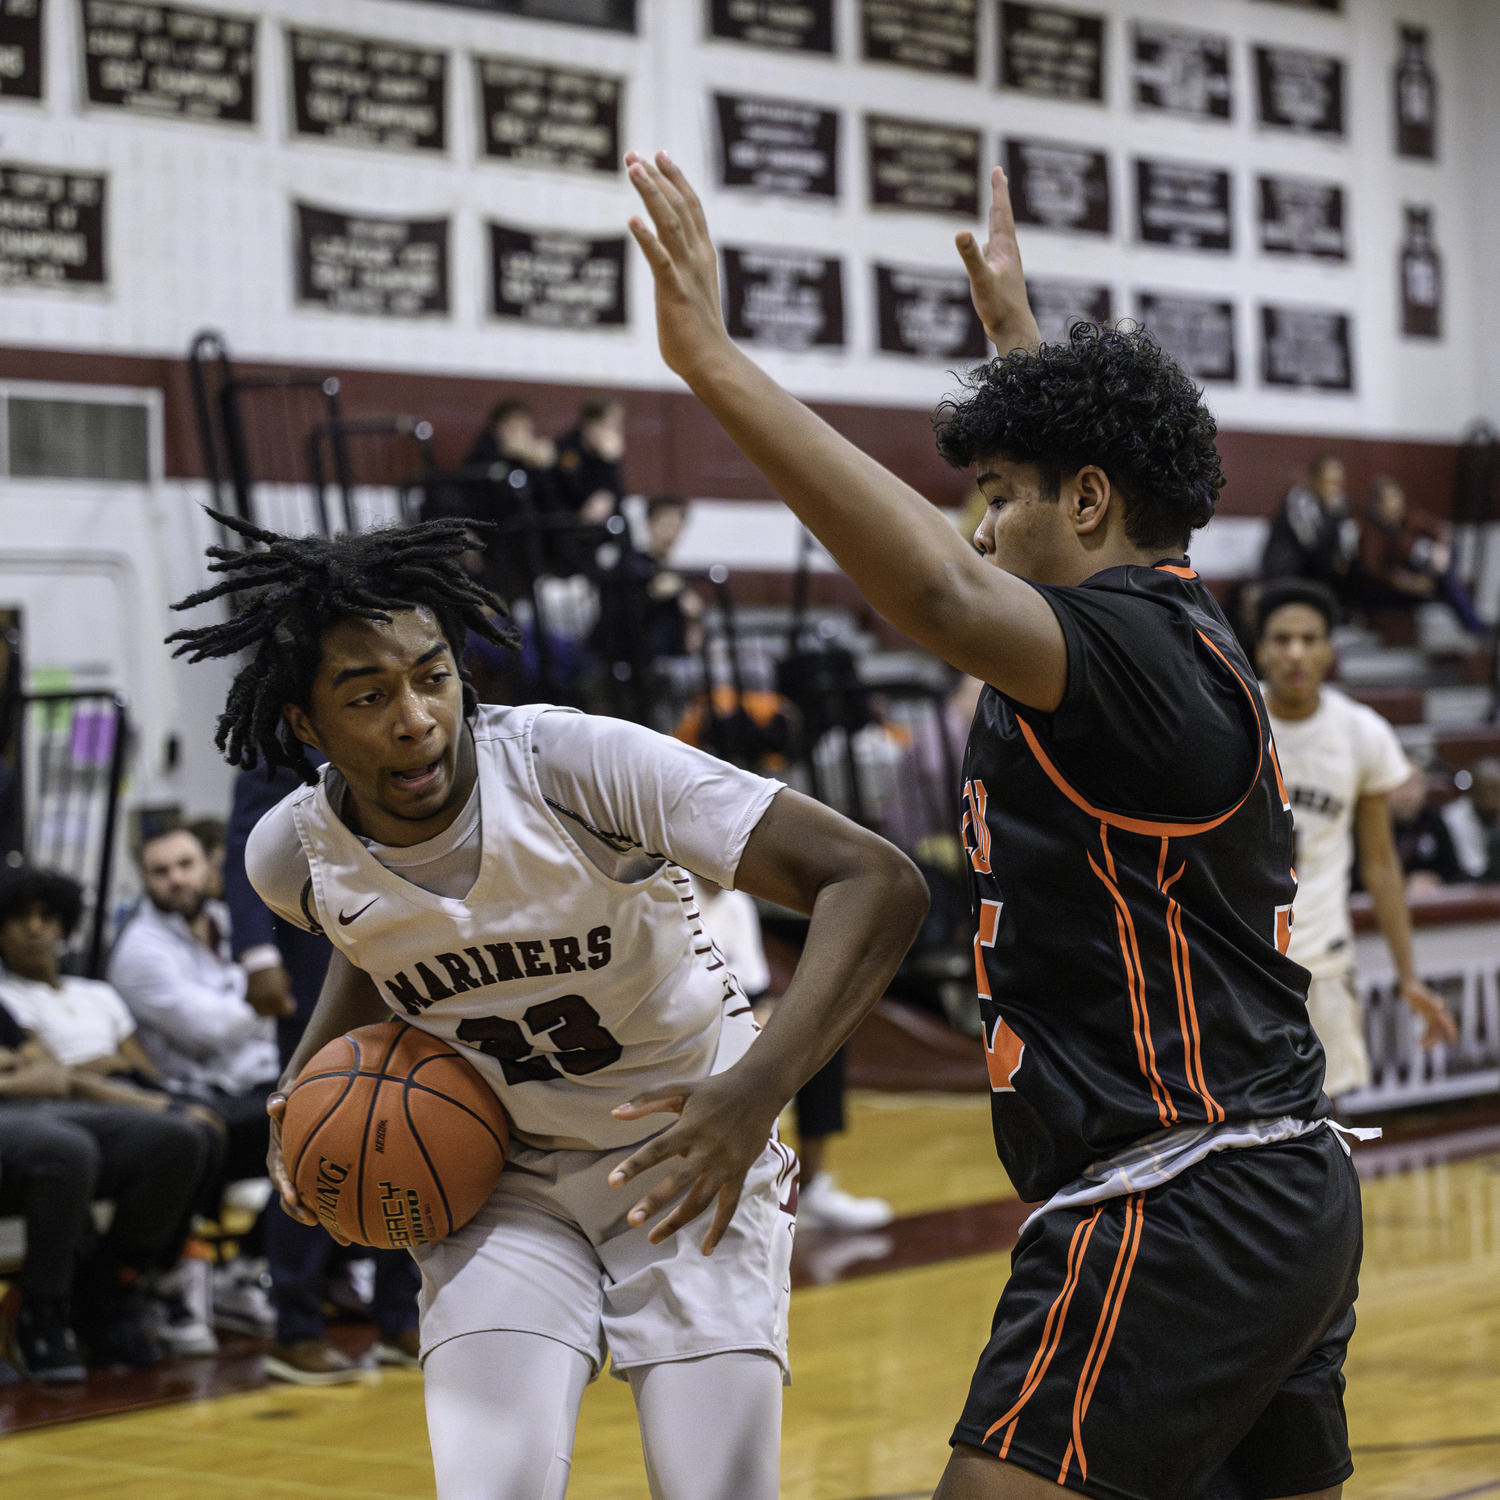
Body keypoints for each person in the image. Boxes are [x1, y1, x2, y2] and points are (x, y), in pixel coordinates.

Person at [627, 147, 1365, 1499]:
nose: (977, 529)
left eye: (1000, 497)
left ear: (1085, 503)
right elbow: (1079, 507)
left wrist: (713, 364)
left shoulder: (1134, 654)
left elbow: (951, 601)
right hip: (1271, 1185)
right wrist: (1024, 349)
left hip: (1177, 1195)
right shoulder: (1169, 621)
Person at [165, 513, 926, 1500]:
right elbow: (374, 943)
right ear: (306, 725)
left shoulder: (576, 767)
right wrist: (305, 1095)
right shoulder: (290, 855)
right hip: (501, 1178)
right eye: (368, 696)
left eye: (431, 676)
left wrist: (753, 1094)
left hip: (687, 1154)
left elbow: (876, 882)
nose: (415, 718)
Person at [225, 753, 422, 1385]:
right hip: (317, 957)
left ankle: (401, 1313)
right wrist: (257, 953)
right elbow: (246, 839)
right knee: (315, 1122)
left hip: (411, 943)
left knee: (415, 1121)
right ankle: (294, 1323)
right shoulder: (283, 732)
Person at [0, 867, 223, 1357]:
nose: (35, 928)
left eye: (47, 917)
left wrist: (163, 1097)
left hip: (89, 1095)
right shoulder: (9, 994)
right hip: (58, 1106)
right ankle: (49, 1309)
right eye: (20, 918)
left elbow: (59, 1069)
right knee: (66, 1147)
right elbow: (61, 1079)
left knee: (194, 1134)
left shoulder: (96, 993)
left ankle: (125, 1277)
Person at [1255, 579, 1459, 1101]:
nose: (1296, 651)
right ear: (1260, 647)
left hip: (1323, 956)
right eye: (1281, 639)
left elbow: (1382, 866)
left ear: (1329, 649)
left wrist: (1409, 977)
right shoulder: (1231, 717)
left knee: (1329, 1125)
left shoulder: (1360, 731)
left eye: (1309, 637)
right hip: (1238, 961)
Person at [107, 825, 291, 1337]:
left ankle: (251, 1264)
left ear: (207, 867)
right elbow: (209, 1032)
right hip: (190, 1094)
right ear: (144, 880)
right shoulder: (140, 951)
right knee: (297, 1119)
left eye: (185, 865)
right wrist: (269, 995)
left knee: (336, 1105)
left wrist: (265, 998)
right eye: (160, 871)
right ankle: (172, 1277)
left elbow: (248, 1016)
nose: (176, 880)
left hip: (251, 1082)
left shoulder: (228, 923)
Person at [690, 873, 893, 1232]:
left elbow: (757, 991)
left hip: (741, 1025)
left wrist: (772, 1023)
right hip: (692, 1035)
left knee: (823, 1032)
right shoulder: (675, 902)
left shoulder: (737, 904)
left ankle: (813, 1187)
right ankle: (729, 1194)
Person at [1355, 476, 1486, 634]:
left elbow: (1440, 530)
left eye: (1396, 498)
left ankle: (1474, 626)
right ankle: (1475, 627)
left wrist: (1441, 550)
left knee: (1449, 561)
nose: (1394, 504)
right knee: (1446, 582)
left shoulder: (1408, 518)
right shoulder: (1372, 533)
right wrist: (1414, 583)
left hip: (1429, 568)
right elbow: (1380, 573)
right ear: (1376, 504)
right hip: (1402, 582)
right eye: (1388, 500)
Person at [1261, 453, 1360, 597]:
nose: (1335, 489)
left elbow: (1348, 548)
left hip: (1318, 575)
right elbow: (1311, 545)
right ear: (1315, 480)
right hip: (1288, 573)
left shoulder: (1342, 506)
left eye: (1338, 483)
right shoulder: (1299, 501)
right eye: (1330, 482)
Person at [554, 395, 626, 525]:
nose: (613, 432)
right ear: (590, 424)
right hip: (568, 522)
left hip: (599, 524)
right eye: (609, 425)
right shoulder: (567, 448)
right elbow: (571, 491)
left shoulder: (607, 454)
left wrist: (608, 463)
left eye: (617, 426)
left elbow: (617, 492)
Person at [1385, 771, 1464, 890]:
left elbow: (1455, 873)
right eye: (1398, 784)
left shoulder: (1434, 820)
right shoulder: (1367, 825)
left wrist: (1437, 880)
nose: (1407, 794)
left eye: (1413, 784)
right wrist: (1403, 883)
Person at [1441, 757, 1500, 881]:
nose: (1490, 797)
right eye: (1483, 789)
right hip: (1467, 882)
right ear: (1472, 790)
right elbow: (1472, 866)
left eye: (1495, 789)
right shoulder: (1453, 816)